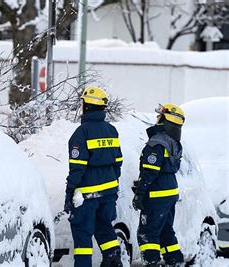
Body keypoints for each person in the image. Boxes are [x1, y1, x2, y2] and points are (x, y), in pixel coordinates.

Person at [64, 87, 123, 267]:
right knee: (104, 227)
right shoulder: (112, 130)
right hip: (109, 192)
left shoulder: (81, 134)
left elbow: (77, 169)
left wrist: (69, 193)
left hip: (87, 196)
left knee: (83, 238)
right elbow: (118, 162)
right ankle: (113, 259)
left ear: (86, 106)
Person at [132, 103, 186, 267]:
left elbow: (150, 172)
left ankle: (152, 263)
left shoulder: (156, 143)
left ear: (165, 119)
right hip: (169, 194)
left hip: (156, 196)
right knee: (166, 231)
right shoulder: (173, 142)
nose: (156, 119)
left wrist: (140, 193)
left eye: (159, 116)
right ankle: (175, 261)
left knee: (147, 234)